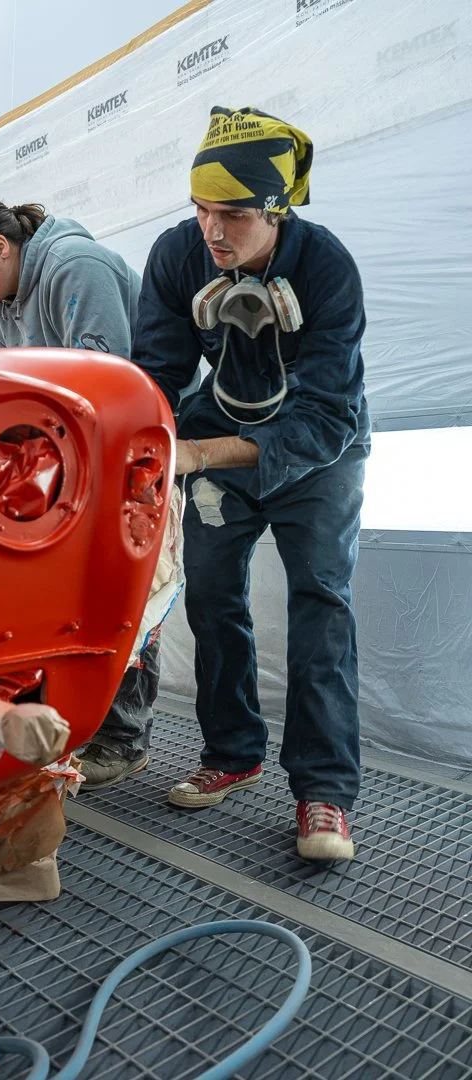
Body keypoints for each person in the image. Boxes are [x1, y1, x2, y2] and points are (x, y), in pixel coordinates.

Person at [132, 106, 370, 861]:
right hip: (215, 434)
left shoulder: (327, 267)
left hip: (324, 453)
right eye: (201, 210)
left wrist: (198, 458)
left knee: (321, 607)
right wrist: (143, 448)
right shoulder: (177, 255)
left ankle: (324, 792)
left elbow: (327, 414)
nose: (212, 231)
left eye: (232, 214)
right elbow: (159, 374)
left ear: (278, 209)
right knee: (208, 596)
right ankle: (233, 752)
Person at [0, 193, 160, 790]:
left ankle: (126, 737)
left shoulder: (72, 266)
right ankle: (81, 716)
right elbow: (10, 381)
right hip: (75, 454)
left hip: (138, 449)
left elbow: (107, 378)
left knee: (132, 590)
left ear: (2, 246)